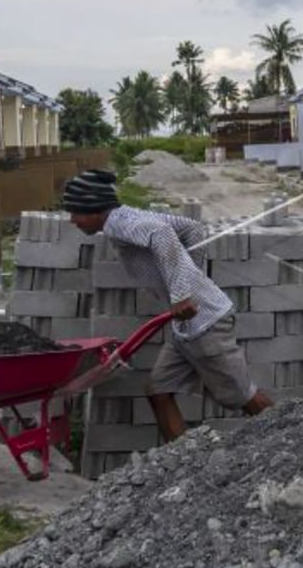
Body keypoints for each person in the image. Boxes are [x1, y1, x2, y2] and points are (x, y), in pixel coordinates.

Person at [62, 169, 272, 440]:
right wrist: (191, 276)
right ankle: (185, 460)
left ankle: (298, 438)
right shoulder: (127, 217)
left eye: (75, 212)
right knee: (158, 389)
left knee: (244, 396)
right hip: (186, 327)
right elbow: (193, 228)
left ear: (92, 208)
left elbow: (163, 235)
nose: (72, 220)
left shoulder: (120, 223)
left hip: (205, 324)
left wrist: (183, 292)